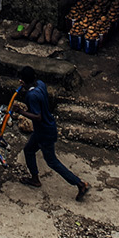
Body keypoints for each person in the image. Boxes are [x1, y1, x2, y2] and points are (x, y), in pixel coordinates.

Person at [14, 66, 90, 200]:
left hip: (44, 131)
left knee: (52, 161)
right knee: (29, 150)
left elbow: (38, 117)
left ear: (24, 81)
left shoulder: (31, 96)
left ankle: (79, 183)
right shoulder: (41, 85)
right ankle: (34, 179)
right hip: (46, 127)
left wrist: (21, 112)